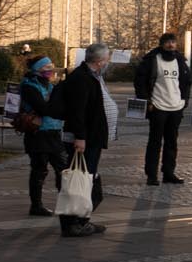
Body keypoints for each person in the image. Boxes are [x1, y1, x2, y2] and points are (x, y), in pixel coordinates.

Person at [56, 44, 117, 236]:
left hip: (92, 137)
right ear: (100, 62)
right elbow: (78, 111)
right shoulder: (82, 79)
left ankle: (81, 220)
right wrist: (80, 137)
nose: (108, 63)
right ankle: (75, 222)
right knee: (80, 180)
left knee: (85, 179)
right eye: (107, 60)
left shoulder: (91, 76)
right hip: (84, 139)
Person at [133, 32, 190, 185]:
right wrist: (147, 101)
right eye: (167, 42)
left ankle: (169, 173)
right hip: (157, 107)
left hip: (176, 107)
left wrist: (184, 101)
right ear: (161, 44)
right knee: (155, 142)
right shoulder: (152, 60)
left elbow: (186, 82)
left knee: (172, 142)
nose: (171, 45)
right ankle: (151, 175)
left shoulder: (180, 60)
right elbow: (140, 82)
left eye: (173, 42)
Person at [17, 55, 66, 216]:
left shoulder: (48, 85)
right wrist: (59, 108)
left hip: (53, 132)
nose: (50, 70)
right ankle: (36, 205)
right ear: (37, 70)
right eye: (46, 67)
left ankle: (65, 202)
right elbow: (43, 108)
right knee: (39, 169)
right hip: (38, 134)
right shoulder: (29, 86)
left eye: (51, 66)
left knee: (62, 168)